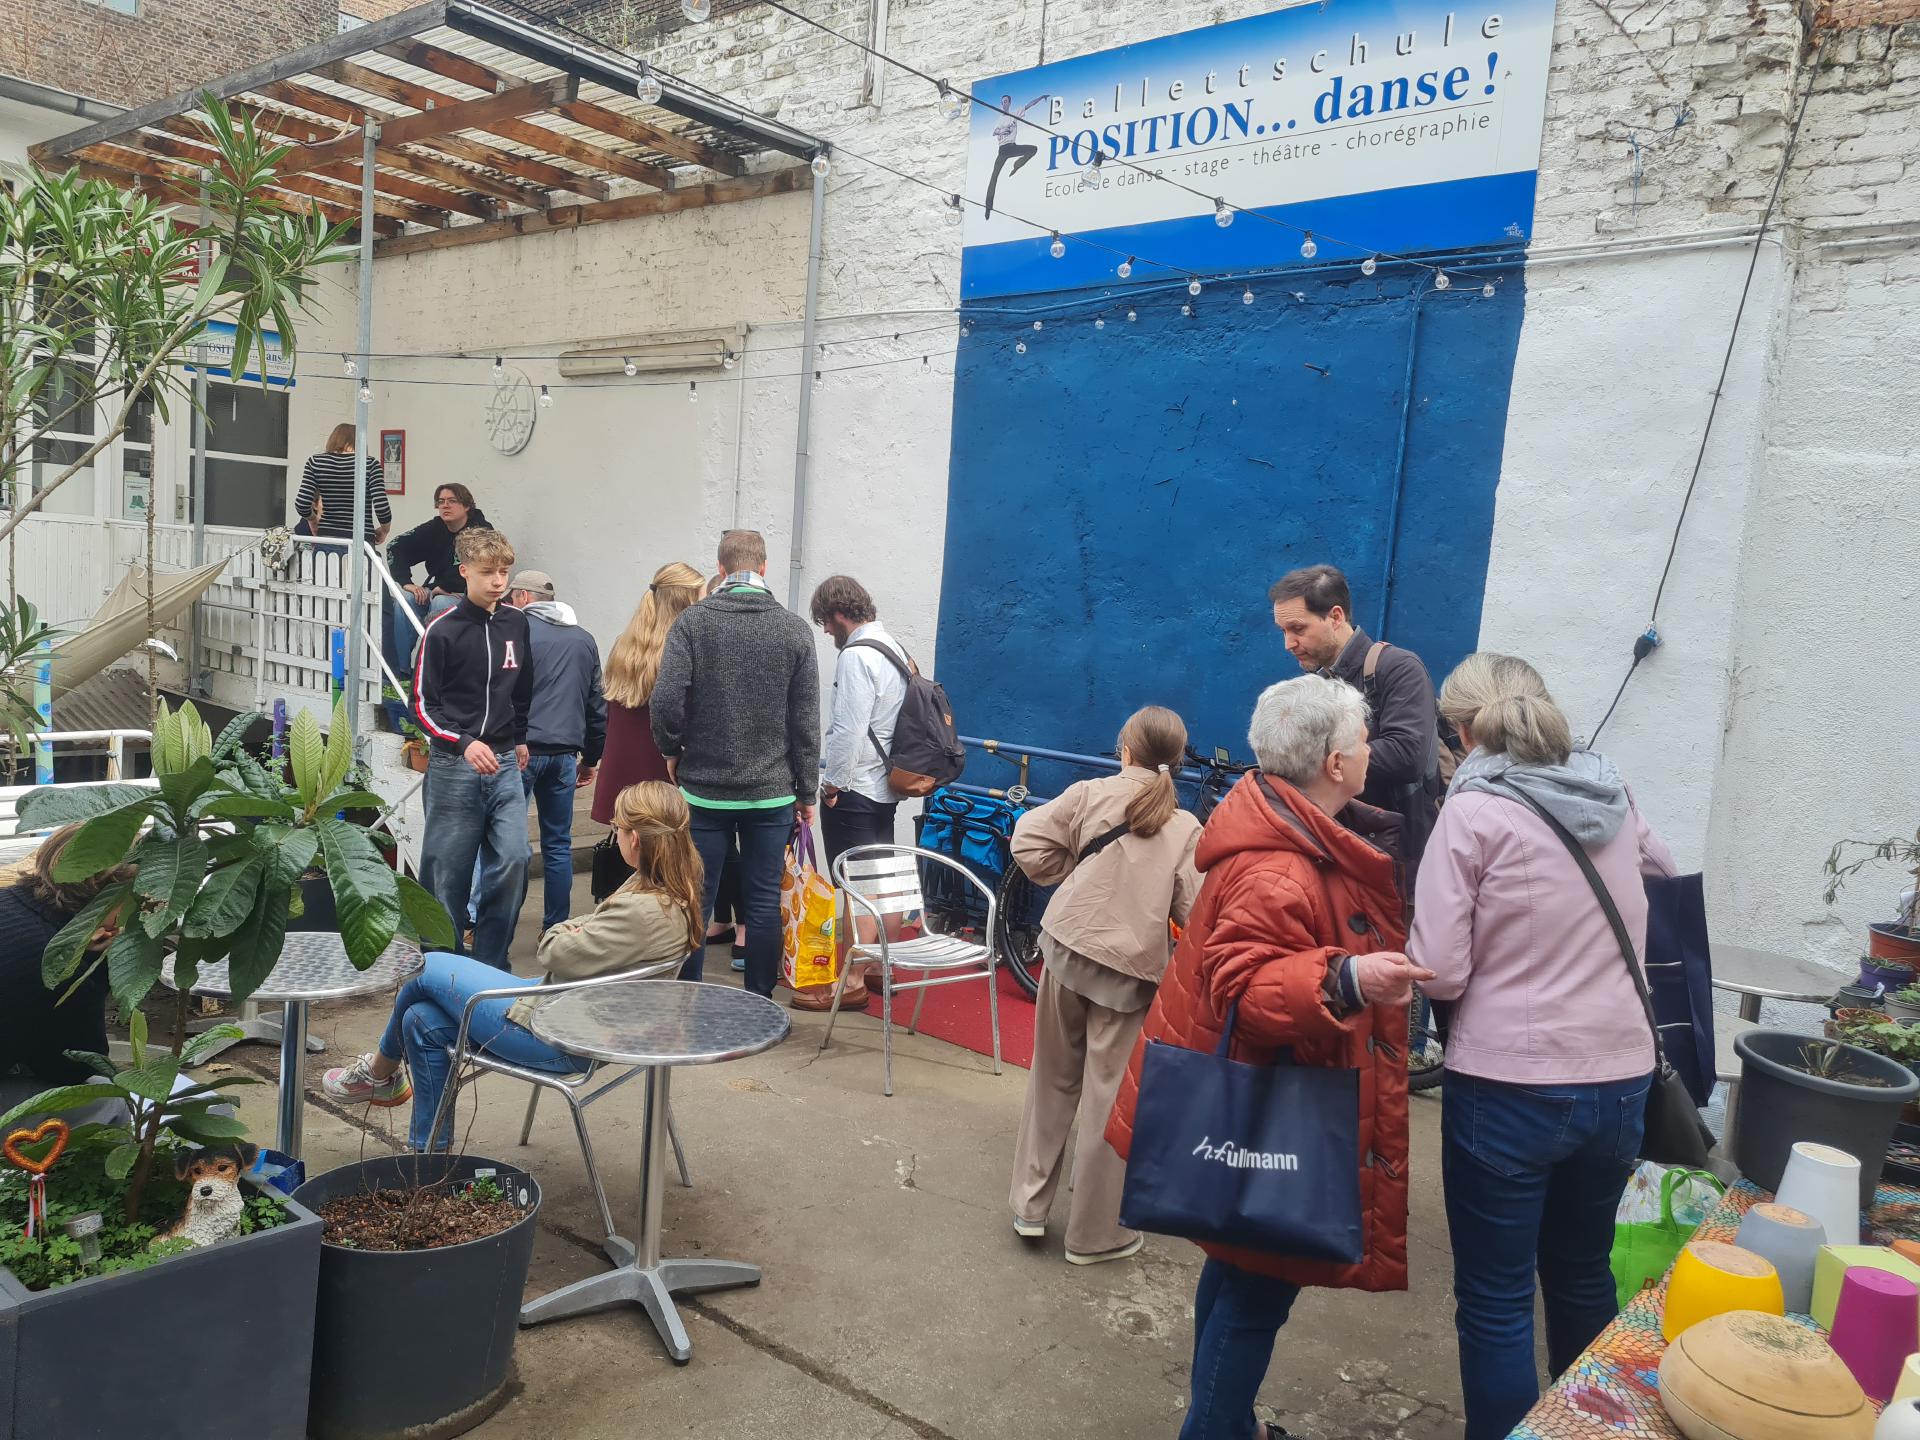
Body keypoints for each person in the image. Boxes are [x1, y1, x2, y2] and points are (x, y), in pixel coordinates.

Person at [1105, 675, 1428, 1440]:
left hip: (1264, 1108)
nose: (1371, 751)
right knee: (1256, 1295)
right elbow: (1249, 993)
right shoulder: (1284, 863)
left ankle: (1229, 1424)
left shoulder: (1292, 829)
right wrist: (1348, 980)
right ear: (1335, 763)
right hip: (1276, 1118)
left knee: (1236, 1272)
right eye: (1362, 740)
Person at [1409, 653, 1674, 1440]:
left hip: (1508, 1083)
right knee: (1583, 1273)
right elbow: (1663, 872)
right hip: (1620, 1077)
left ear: (1462, 731)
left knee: (1496, 1299)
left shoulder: (1473, 810)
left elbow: (1441, 970)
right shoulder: (1611, 789)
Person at [322, 782, 703, 1151]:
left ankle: (379, 1073)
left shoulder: (641, 910)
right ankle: (429, 1155)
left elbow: (552, 950)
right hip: (579, 1013)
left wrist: (562, 929)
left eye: (616, 827)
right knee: (420, 1019)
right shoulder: (669, 890)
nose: (614, 833)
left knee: (428, 966)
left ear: (635, 839)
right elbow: (580, 940)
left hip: (563, 1036)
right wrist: (577, 929)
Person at [1008, 705, 1201, 1265]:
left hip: (1067, 945)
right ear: (1176, 761)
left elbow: (1027, 843)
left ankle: (1029, 1207)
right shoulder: (1185, 828)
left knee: (1051, 1079)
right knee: (1109, 1099)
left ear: (1125, 750)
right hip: (1130, 973)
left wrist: (1074, 876)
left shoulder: (1088, 794)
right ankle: (1093, 1236)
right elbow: (1196, 914)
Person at [651, 528, 820, 995]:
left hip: (704, 789)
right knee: (762, 901)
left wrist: (671, 749)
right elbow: (805, 721)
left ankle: (688, 998)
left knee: (696, 897)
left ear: (721, 569)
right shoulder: (794, 629)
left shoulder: (693, 623)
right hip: (772, 793)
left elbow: (665, 700)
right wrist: (807, 790)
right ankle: (760, 1003)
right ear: (764, 567)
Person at [1269, 564, 1442, 887]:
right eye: (1283, 631)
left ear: (1335, 617)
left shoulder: (1399, 668)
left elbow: (1407, 754)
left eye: (1298, 629)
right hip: (1343, 856)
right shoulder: (1319, 682)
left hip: (1396, 866)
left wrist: (1316, 763)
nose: (1288, 643)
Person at [412, 527, 534, 971]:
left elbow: (523, 688)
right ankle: (443, 968)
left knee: (515, 858)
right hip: (453, 767)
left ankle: (490, 964)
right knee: (446, 875)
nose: (498, 581)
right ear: (464, 572)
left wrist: (520, 737)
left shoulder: (516, 623)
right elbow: (421, 706)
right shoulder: (440, 630)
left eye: (503, 571)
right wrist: (462, 743)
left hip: (503, 765)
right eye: (487, 572)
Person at [808, 575, 909, 1005]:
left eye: (825, 622)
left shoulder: (856, 656)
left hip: (856, 785)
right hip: (886, 784)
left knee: (856, 887)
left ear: (838, 614)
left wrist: (831, 785)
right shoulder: (894, 648)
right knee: (883, 880)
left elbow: (848, 729)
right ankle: (879, 967)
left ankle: (849, 982)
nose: (826, 631)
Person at [490, 568, 605, 936]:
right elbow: (596, 704)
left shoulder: (514, 632)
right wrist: (591, 758)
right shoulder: (584, 639)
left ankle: (498, 927)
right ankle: (554, 926)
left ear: (524, 597)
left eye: (512, 596)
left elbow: (497, 691)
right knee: (557, 844)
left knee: (508, 843)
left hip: (519, 751)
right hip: (564, 756)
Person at [0, 825, 133, 1090]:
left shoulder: (7, 899)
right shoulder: (55, 964)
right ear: (110, 896)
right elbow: (75, 1068)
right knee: (106, 1102)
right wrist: (96, 964)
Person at [295, 422, 391, 544]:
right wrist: (384, 530)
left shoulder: (315, 462)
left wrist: (313, 521)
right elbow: (382, 507)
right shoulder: (370, 464)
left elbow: (302, 504)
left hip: (326, 540)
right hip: (361, 543)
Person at [983, 93, 1047, 219]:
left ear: (1009, 103)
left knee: (1033, 149)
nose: (1004, 104)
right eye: (1002, 102)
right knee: (994, 176)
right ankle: (988, 207)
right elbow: (994, 131)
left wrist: (1040, 98)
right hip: (1002, 150)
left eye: (1006, 101)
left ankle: (1017, 164)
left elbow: (1029, 105)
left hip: (1012, 147)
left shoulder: (1014, 114)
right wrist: (1001, 131)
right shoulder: (999, 120)